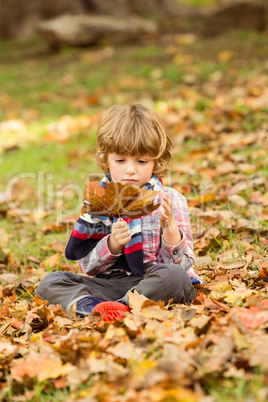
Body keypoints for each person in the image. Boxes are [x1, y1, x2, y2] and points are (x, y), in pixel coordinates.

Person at [36, 103, 201, 321]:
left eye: (141, 161)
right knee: (50, 283)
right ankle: (99, 309)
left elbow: (182, 266)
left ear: (155, 161)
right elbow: (87, 266)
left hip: (153, 283)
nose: (130, 169)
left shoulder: (170, 201)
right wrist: (113, 244)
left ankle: (120, 308)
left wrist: (170, 230)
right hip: (110, 285)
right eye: (121, 160)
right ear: (106, 159)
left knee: (175, 277)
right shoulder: (100, 200)